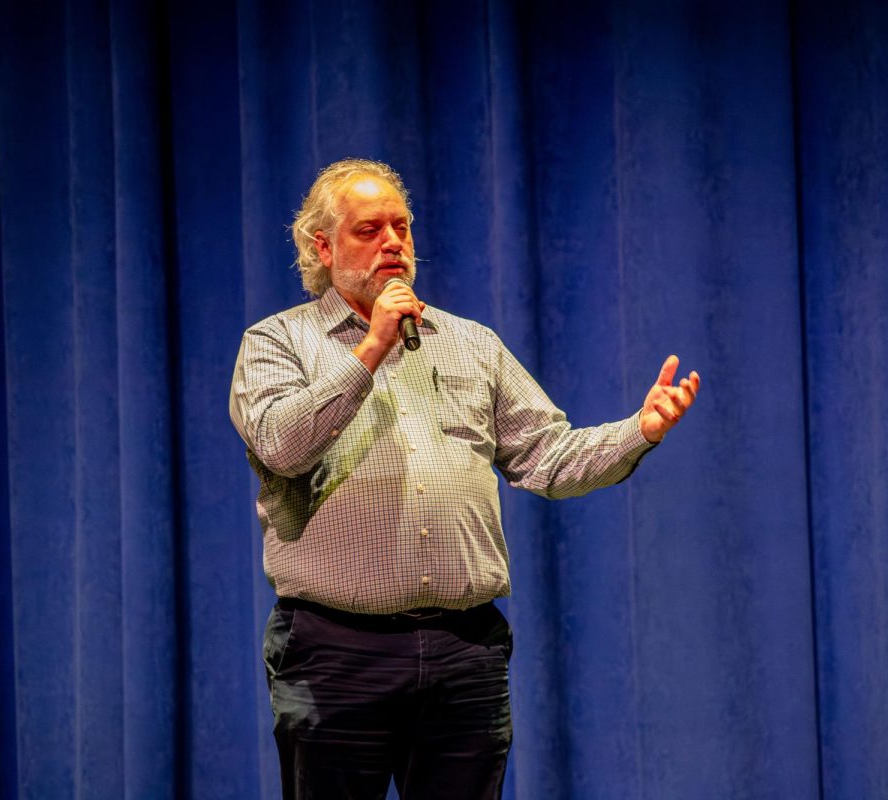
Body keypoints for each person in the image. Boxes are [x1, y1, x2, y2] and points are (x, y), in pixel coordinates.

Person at [229, 158, 699, 799]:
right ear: (323, 246)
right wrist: (371, 349)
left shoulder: (471, 343)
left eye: (402, 227)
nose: (392, 242)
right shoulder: (276, 343)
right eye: (369, 229)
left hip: (464, 652)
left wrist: (638, 430)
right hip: (335, 652)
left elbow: (548, 456)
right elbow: (284, 445)